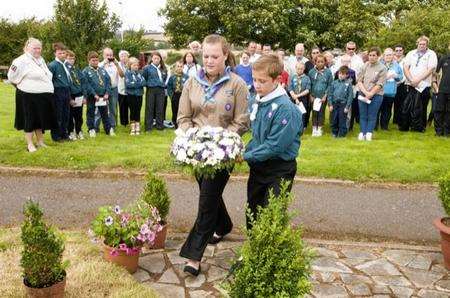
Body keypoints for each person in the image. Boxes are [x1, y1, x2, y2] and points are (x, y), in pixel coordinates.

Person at [178, 34, 249, 277]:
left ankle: (193, 256)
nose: (209, 60)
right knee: (210, 194)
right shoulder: (191, 83)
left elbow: (242, 121)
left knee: (206, 200)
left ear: (225, 56)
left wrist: (221, 142)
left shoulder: (237, 84)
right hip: (198, 153)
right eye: (205, 56)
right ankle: (224, 224)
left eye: (214, 56)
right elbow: (183, 118)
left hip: (223, 154)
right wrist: (195, 141)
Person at [244, 53, 302, 230]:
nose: (257, 85)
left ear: (277, 79)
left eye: (262, 81)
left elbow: (275, 145)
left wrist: (245, 156)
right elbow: (257, 136)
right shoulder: (258, 99)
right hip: (259, 166)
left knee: (271, 214)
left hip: (279, 168)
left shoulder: (286, 109)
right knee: (253, 210)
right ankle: (253, 251)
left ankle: (269, 253)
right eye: (254, 80)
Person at [7, 37, 56, 152]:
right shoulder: (20, 61)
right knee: (29, 120)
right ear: (27, 47)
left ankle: (40, 142)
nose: (38, 50)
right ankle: (30, 144)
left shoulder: (41, 60)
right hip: (27, 95)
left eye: (39, 48)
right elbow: (11, 77)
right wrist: (20, 85)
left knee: (40, 120)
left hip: (41, 96)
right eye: (35, 48)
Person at [402, 36, 438, 132]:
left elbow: (430, 69)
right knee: (408, 106)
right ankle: (406, 125)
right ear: (417, 44)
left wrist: (418, 80)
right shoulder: (411, 53)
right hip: (411, 84)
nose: (421, 46)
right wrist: (411, 80)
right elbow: (405, 67)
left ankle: (419, 127)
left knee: (421, 107)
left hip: (424, 85)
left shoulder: (431, 54)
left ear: (427, 45)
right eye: (420, 44)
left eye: (424, 44)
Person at [357, 47, 387, 141]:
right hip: (363, 93)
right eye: (370, 55)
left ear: (378, 56)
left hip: (376, 95)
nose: (371, 57)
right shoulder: (365, 65)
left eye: (374, 55)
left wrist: (371, 93)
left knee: (372, 114)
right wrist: (365, 92)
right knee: (363, 114)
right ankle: (362, 132)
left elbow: (380, 84)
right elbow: (359, 80)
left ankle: (369, 132)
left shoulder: (382, 68)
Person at [83, 51, 112, 137]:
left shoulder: (102, 70)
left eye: (96, 60)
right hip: (92, 96)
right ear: (89, 60)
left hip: (103, 96)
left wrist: (107, 93)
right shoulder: (86, 71)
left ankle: (108, 129)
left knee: (105, 113)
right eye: (93, 60)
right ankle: (91, 129)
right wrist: (94, 94)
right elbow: (87, 84)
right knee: (91, 113)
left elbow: (108, 82)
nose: (95, 62)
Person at [48, 42, 71, 142]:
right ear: (55, 53)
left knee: (66, 114)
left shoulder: (65, 65)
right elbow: (49, 80)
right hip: (57, 91)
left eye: (64, 53)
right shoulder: (52, 65)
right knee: (58, 115)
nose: (62, 55)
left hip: (66, 91)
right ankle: (56, 136)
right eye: (60, 53)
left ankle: (64, 134)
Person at [99, 48, 124, 135]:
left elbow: (122, 75)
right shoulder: (100, 64)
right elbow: (97, 71)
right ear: (103, 55)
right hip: (102, 89)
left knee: (113, 108)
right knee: (99, 109)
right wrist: (104, 63)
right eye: (107, 55)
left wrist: (117, 64)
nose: (109, 57)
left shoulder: (115, 64)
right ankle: (95, 127)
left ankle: (112, 126)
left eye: (111, 55)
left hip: (113, 88)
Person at [376, 48, 403, 130]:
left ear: (393, 55)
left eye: (390, 55)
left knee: (387, 110)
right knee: (377, 109)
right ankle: (374, 126)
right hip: (379, 91)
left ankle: (384, 127)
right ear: (383, 56)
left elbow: (400, 77)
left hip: (390, 91)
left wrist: (396, 76)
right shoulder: (378, 64)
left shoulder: (396, 65)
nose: (388, 56)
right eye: (387, 55)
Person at [308, 54, 333, 137]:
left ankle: (320, 128)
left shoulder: (328, 72)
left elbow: (330, 85)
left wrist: (325, 95)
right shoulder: (311, 72)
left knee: (321, 112)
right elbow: (309, 84)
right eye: (318, 62)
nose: (320, 63)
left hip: (322, 97)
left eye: (322, 62)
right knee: (314, 112)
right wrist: (311, 95)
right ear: (315, 62)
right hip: (314, 96)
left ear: (325, 62)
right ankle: (314, 128)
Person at [142, 51, 168, 131]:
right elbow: (144, 77)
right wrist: (149, 84)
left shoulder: (163, 68)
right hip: (151, 89)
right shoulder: (147, 68)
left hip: (161, 90)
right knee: (150, 108)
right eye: (155, 58)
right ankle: (148, 127)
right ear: (152, 59)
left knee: (160, 107)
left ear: (160, 59)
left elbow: (164, 78)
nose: (156, 60)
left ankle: (159, 126)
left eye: (158, 58)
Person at [65, 50, 87, 140]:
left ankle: (79, 131)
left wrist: (84, 96)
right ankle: (70, 131)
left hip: (79, 95)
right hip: (70, 95)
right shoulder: (65, 69)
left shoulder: (76, 69)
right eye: (70, 58)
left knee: (78, 115)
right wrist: (69, 98)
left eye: (73, 58)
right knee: (70, 115)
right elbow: (66, 84)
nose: (72, 60)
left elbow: (83, 81)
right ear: (66, 58)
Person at [328, 66, 353, 137]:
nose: (341, 75)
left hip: (343, 104)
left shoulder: (348, 84)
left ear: (347, 75)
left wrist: (347, 107)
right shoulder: (334, 83)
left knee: (342, 119)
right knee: (334, 119)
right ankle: (334, 132)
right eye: (340, 74)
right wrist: (330, 104)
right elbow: (330, 94)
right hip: (334, 104)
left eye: (343, 74)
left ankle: (342, 134)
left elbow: (350, 96)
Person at [125, 57, 146, 135]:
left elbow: (144, 83)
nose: (136, 67)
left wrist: (135, 83)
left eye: (137, 65)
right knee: (132, 110)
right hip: (131, 95)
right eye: (134, 65)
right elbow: (128, 84)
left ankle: (138, 126)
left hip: (139, 94)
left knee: (138, 110)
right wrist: (138, 83)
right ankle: (132, 127)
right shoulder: (128, 73)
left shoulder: (140, 73)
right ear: (130, 66)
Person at [288, 61, 311, 130]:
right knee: (293, 112)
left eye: (301, 69)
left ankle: (302, 127)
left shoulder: (307, 78)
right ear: (295, 68)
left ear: (304, 69)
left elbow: (307, 90)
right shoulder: (292, 77)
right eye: (298, 68)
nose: (299, 70)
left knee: (302, 113)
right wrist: (294, 97)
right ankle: (293, 127)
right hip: (293, 98)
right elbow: (290, 88)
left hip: (303, 98)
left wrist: (298, 96)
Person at [167, 60, 188, 129]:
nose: (179, 68)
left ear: (183, 67)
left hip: (183, 95)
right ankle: (175, 123)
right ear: (175, 67)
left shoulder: (186, 77)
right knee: (175, 109)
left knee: (182, 110)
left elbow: (188, 87)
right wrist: (171, 95)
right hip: (175, 95)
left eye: (181, 66)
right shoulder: (172, 77)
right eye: (178, 66)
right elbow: (169, 87)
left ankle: (182, 122)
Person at [434, 43, 450, 136]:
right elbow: (435, 73)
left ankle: (447, 132)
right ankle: (439, 132)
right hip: (442, 90)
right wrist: (435, 86)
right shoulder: (443, 58)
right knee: (439, 111)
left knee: (449, 112)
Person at [393, 44, 407, 125]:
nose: (398, 52)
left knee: (401, 103)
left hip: (402, 84)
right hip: (392, 84)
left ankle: (399, 120)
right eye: (396, 50)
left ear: (403, 51)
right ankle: (394, 120)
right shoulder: (392, 60)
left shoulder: (406, 60)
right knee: (392, 102)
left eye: (400, 50)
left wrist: (401, 81)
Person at [117, 50, 130, 127]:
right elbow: (122, 75)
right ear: (119, 57)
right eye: (122, 56)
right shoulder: (117, 64)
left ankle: (129, 121)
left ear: (128, 57)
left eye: (125, 56)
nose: (123, 58)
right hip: (121, 89)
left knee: (129, 106)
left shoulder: (130, 64)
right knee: (122, 106)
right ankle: (123, 123)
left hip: (129, 89)